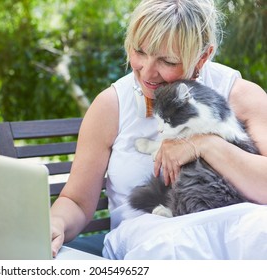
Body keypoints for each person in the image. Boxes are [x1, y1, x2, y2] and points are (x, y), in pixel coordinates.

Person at [51, 0, 267, 259]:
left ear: (203, 57)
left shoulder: (241, 96)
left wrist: (204, 145)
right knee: (176, 250)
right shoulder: (112, 106)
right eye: (139, 51)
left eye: (167, 60)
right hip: (153, 239)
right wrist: (55, 224)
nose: (147, 72)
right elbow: (76, 200)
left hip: (233, 230)